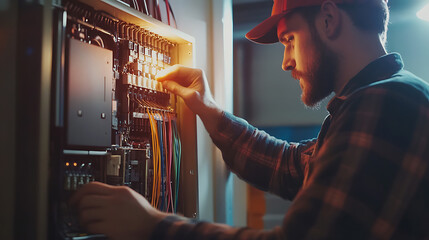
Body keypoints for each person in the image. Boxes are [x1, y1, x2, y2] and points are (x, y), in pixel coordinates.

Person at [71, 0, 429, 239]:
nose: (286, 61)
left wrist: (152, 226)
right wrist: (209, 111)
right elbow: (292, 166)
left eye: (289, 40)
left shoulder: (385, 103)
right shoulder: (380, 98)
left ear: (329, 19)